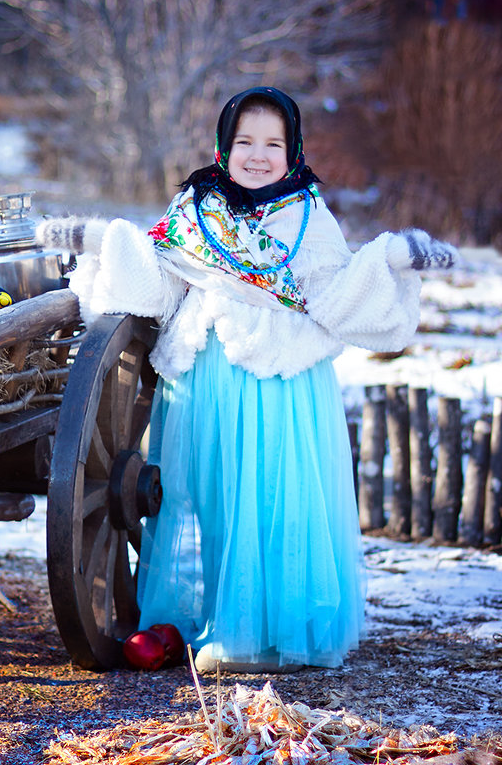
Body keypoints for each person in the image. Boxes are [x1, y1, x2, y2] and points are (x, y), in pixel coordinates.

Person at [36, 86, 457, 674]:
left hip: (280, 388)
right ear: (223, 146)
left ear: (293, 151)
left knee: (272, 499)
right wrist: (104, 241)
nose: (257, 156)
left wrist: (390, 259)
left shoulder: (308, 219)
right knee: (212, 498)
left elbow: (337, 297)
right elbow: (157, 286)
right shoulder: (195, 212)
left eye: (273, 144)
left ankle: (260, 634)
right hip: (204, 386)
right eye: (244, 142)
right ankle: (217, 618)